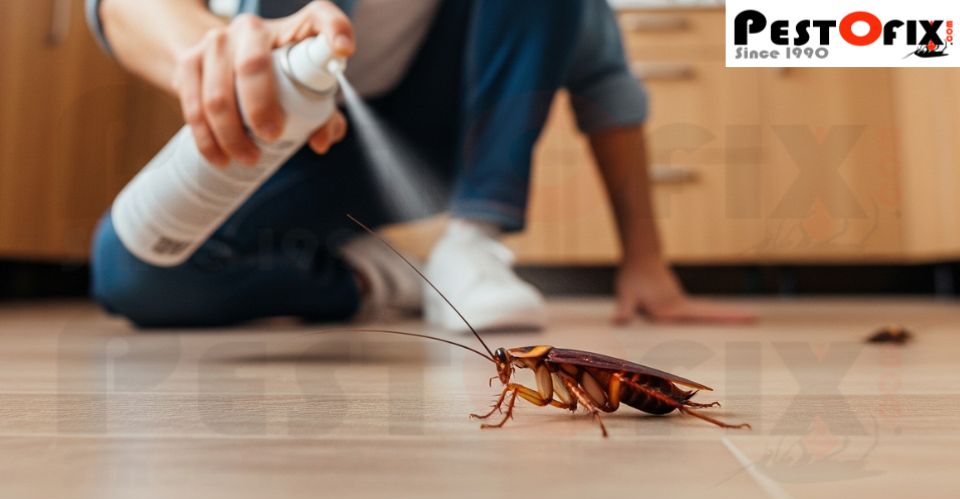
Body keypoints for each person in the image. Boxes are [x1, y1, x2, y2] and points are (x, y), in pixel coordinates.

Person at [87, 0, 754, 329]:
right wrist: (212, 48)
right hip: (292, 130)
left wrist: (645, 262)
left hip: (439, 154)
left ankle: (472, 244)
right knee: (137, 274)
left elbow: (607, 87)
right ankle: (375, 279)